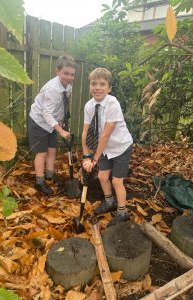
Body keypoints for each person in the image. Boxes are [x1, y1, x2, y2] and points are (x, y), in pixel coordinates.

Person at [82, 67, 133, 227]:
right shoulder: (89, 106)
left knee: (117, 181)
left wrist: (94, 159)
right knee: (103, 177)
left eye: (102, 84)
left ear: (109, 88)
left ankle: (122, 212)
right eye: (94, 83)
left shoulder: (113, 104)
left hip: (120, 147)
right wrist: (86, 157)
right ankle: (109, 202)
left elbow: (105, 135)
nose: (97, 87)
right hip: (104, 149)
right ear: (89, 85)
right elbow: (85, 133)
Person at [28, 55, 76, 195]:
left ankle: (49, 174)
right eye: (65, 73)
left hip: (52, 123)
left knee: (52, 150)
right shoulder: (52, 89)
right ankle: (40, 181)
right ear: (57, 72)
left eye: (72, 74)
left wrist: (60, 120)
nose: (69, 77)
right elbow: (46, 113)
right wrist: (60, 130)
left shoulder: (68, 88)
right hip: (39, 121)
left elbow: (60, 105)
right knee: (41, 153)